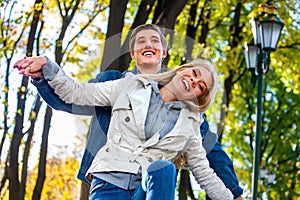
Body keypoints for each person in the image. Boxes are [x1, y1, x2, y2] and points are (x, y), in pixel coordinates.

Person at [15, 24, 243, 199]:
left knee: (163, 169)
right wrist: (45, 70)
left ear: (164, 53)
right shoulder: (119, 82)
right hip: (110, 178)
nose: (148, 45)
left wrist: (234, 192)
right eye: (141, 41)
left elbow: (209, 159)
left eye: (155, 41)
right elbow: (72, 97)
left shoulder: (192, 122)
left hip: (148, 187)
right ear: (133, 53)